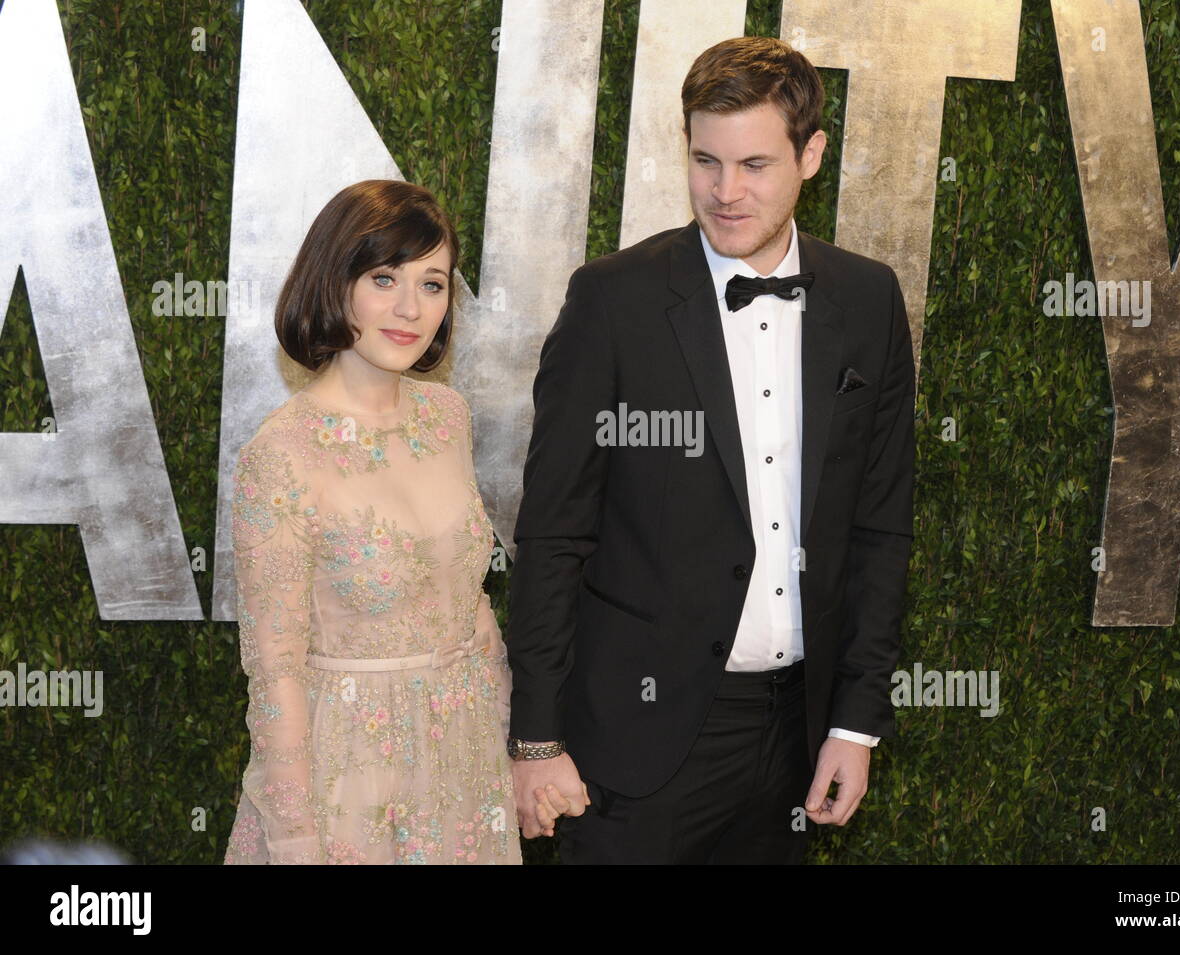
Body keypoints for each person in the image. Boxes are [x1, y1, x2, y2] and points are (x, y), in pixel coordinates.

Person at [506, 36, 915, 864]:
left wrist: (853, 720)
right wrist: (537, 741)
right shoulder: (612, 301)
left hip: (795, 739)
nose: (726, 193)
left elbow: (880, 526)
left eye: (755, 164)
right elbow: (554, 533)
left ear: (812, 155)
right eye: (706, 161)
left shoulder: (869, 302)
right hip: (635, 747)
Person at [223, 179, 520, 864]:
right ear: (336, 281)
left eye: (433, 283)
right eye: (384, 277)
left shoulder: (448, 417)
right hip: (350, 782)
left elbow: (468, 601)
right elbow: (275, 672)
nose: (411, 308)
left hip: (465, 768)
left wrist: (511, 739)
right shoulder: (281, 453)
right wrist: (296, 839)